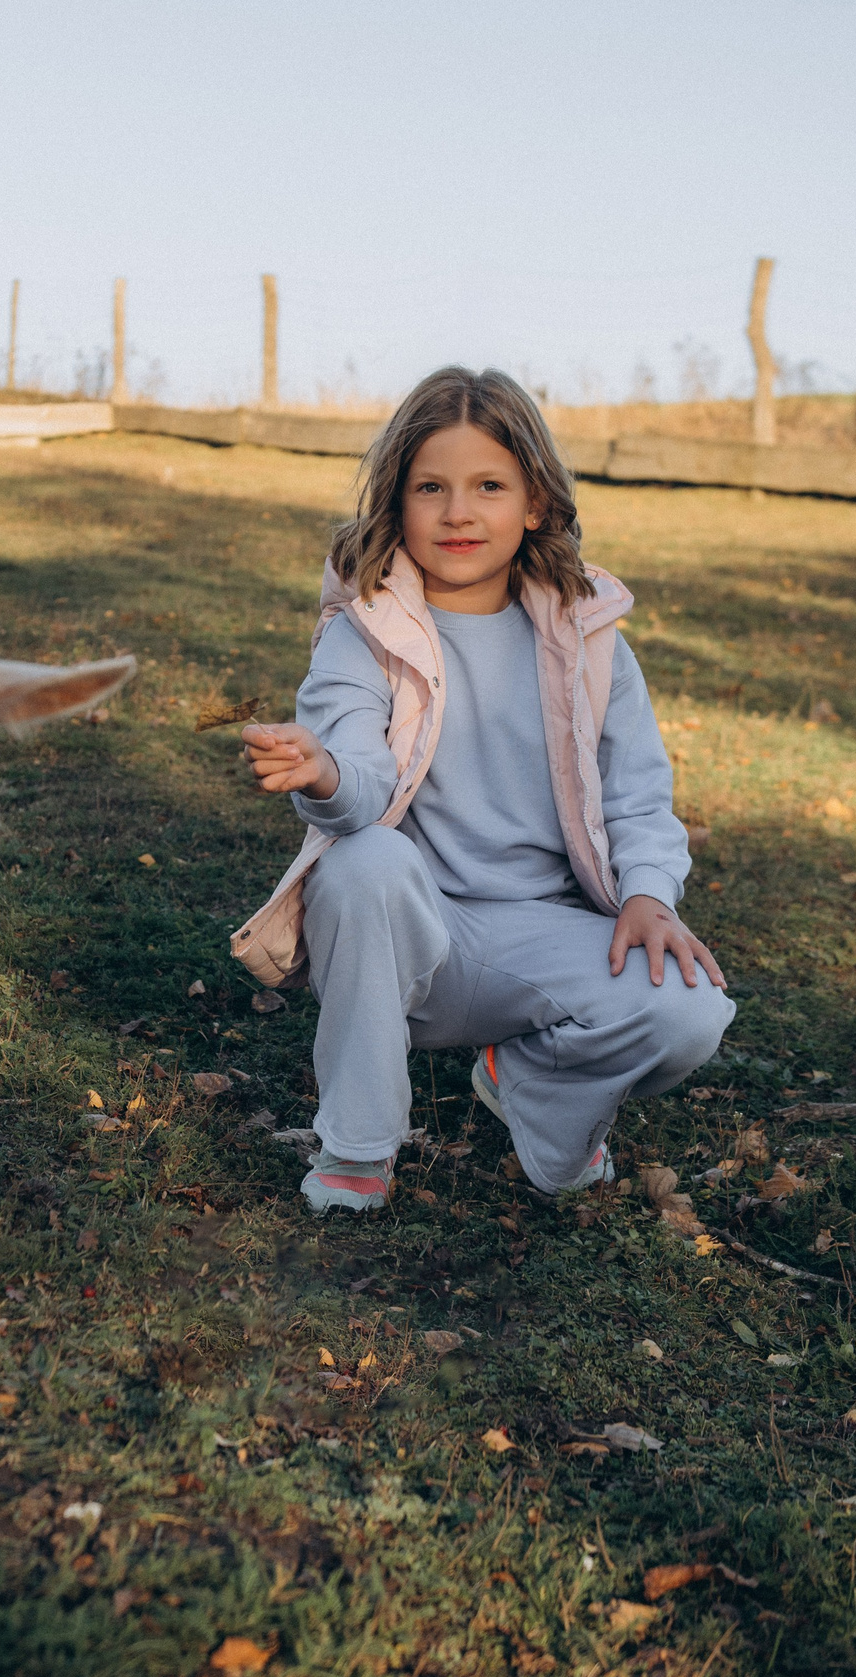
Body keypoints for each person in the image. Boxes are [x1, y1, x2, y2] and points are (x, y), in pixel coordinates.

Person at [230, 366, 732, 1214]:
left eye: (488, 486)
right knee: (363, 863)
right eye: (432, 487)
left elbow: (638, 793)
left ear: (533, 502)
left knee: (691, 1013)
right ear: (397, 503)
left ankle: (533, 1086)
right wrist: (322, 773)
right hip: (408, 939)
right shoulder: (363, 635)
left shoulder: (590, 639)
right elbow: (361, 787)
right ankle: (356, 1149)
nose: (459, 512)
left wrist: (649, 894)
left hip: (547, 932)